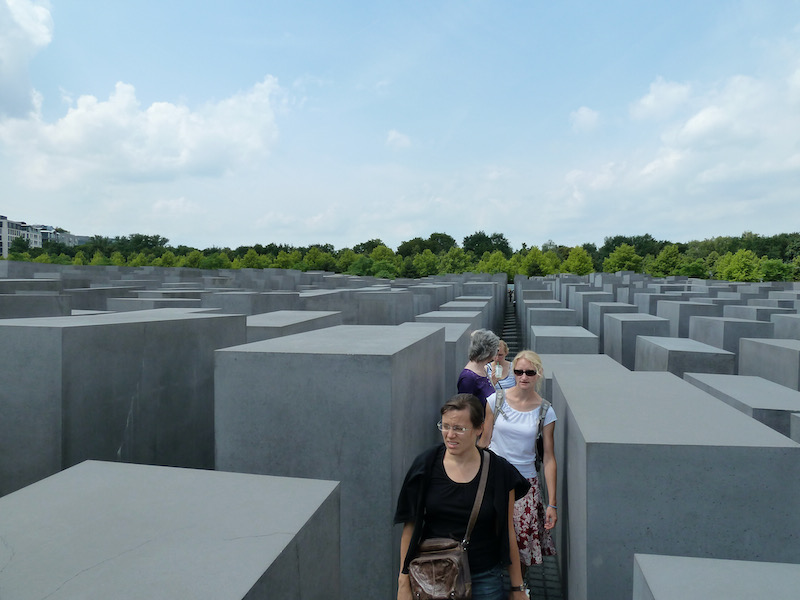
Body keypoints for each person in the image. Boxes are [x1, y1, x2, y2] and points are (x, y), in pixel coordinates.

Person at [395, 393, 531, 600]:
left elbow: (508, 531)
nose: (450, 435)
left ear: (479, 429)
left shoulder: (500, 471)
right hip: (434, 574)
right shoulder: (426, 465)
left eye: (459, 428)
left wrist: (517, 588)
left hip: (484, 577)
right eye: (446, 426)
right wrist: (403, 581)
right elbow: (410, 526)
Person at [488, 350, 557, 576]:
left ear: (538, 374)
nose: (524, 376)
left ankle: (518, 588)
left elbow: (548, 457)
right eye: (519, 371)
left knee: (521, 544)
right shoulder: (495, 400)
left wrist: (552, 503)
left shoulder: (546, 410)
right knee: (490, 535)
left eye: (530, 372)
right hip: (492, 477)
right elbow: (483, 441)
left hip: (525, 485)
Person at [457, 329, 499, 448]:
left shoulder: (484, 369)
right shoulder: (468, 377)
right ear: (488, 351)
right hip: (477, 436)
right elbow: (464, 410)